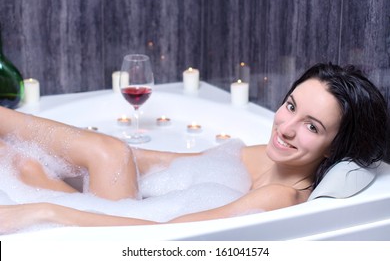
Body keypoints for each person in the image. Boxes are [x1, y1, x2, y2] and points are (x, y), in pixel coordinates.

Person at [0, 62, 387, 233]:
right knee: (106, 154)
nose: (285, 128)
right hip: (134, 215)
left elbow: (161, 232)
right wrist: (94, 153)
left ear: (336, 147)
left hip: (135, 240)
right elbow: (160, 162)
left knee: (82, 159)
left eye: (311, 126)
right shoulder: (265, 158)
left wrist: (46, 210)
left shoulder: (279, 197)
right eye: (290, 106)